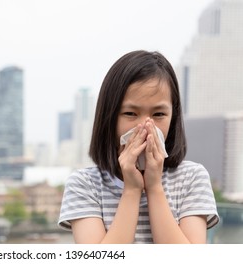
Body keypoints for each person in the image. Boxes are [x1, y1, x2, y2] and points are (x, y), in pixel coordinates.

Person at [58, 50, 219, 244]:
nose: (145, 126)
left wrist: (154, 186)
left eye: (158, 114)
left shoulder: (192, 178)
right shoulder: (84, 184)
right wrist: (132, 190)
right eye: (130, 113)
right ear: (109, 117)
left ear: (173, 117)